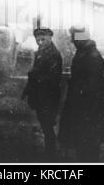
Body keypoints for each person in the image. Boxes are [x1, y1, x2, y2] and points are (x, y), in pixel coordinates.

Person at [59, 25, 104, 162]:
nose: (72, 41)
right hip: (85, 105)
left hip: (87, 107)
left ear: (81, 38)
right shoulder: (85, 53)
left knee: (88, 142)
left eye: (74, 38)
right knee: (84, 142)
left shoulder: (91, 55)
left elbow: (91, 85)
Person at [22, 27, 62, 160]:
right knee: (44, 123)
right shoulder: (40, 52)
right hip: (41, 95)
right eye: (38, 39)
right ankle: (49, 150)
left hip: (48, 96)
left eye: (43, 39)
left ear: (50, 38)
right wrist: (27, 90)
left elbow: (53, 77)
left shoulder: (53, 55)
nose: (40, 42)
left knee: (47, 124)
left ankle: (51, 153)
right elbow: (34, 72)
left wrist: (36, 78)